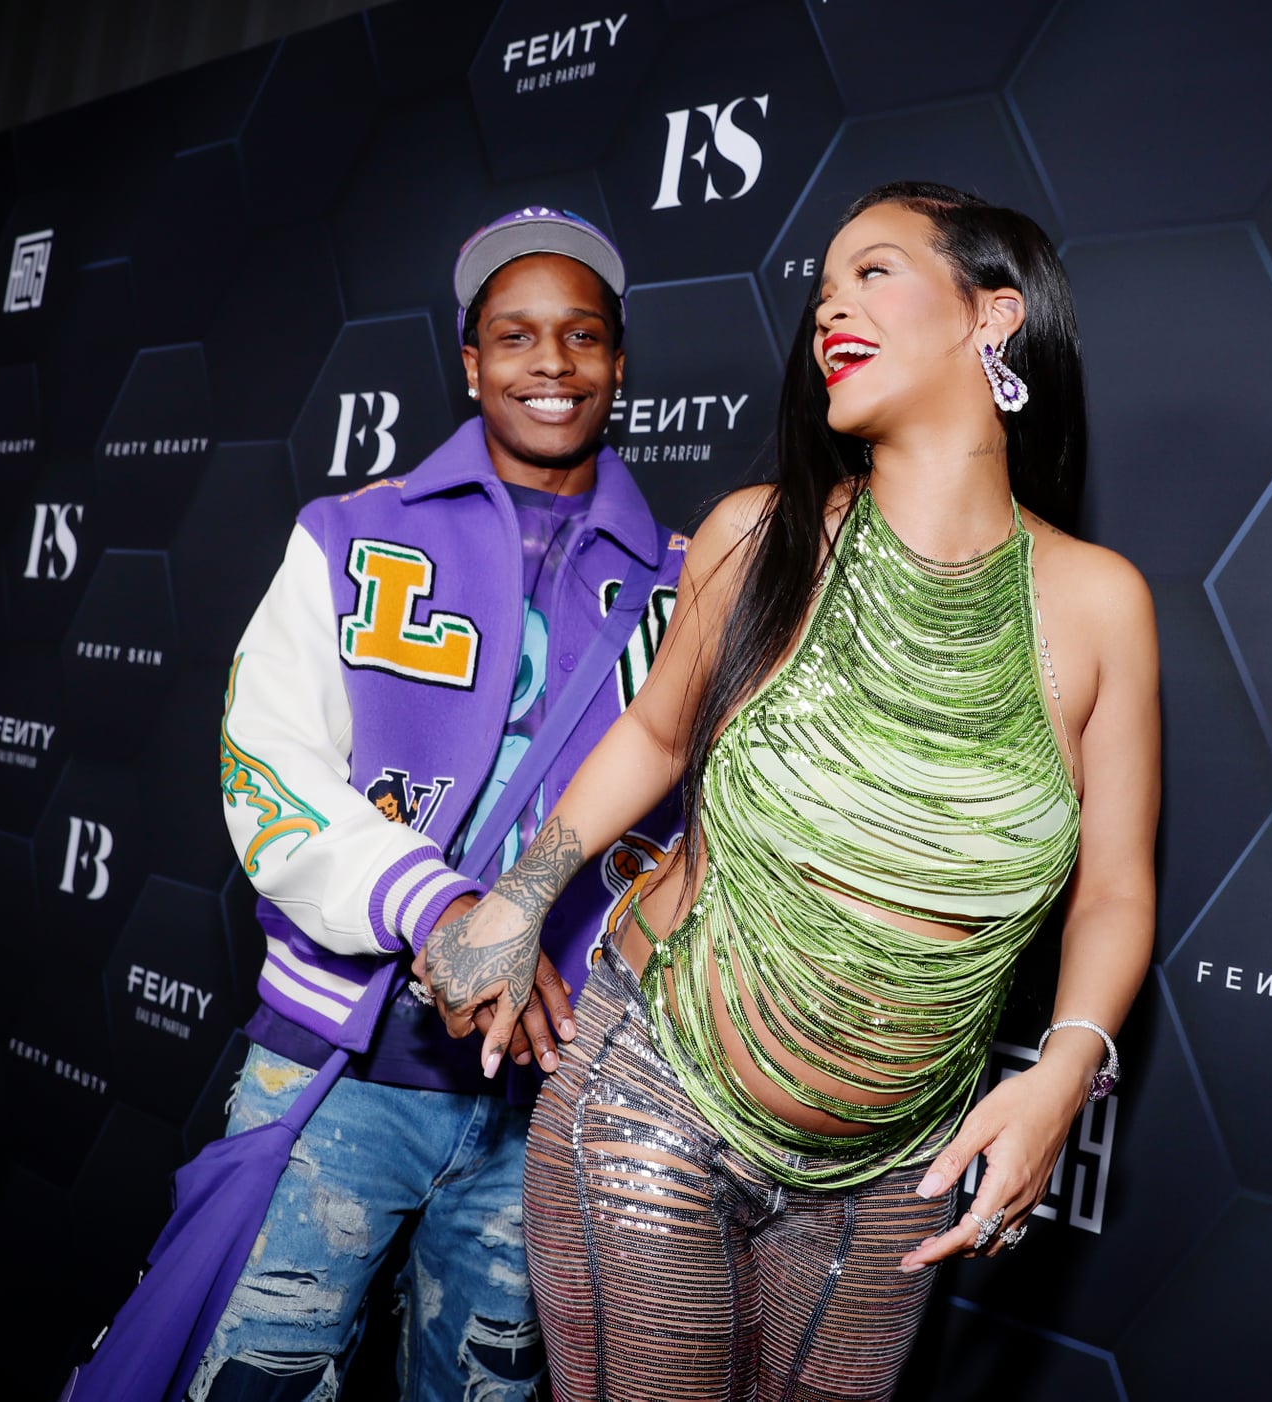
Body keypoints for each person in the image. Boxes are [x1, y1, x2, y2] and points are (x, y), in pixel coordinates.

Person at [421, 181, 1159, 1400]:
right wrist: (516, 900)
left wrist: (1065, 1073)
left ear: (994, 316)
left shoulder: (1096, 603)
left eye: (871, 272)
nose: (829, 307)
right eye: (818, 289)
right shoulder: (758, 534)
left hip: (896, 1165)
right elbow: (656, 736)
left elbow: (1115, 891)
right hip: (652, 1093)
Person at [200, 206, 685, 1400]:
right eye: (515, 336)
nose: (551, 364)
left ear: (620, 361)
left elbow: (705, 828)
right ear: (469, 363)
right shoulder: (351, 533)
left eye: (582, 336)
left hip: (555, 1104)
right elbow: (266, 766)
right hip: (342, 1069)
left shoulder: (692, 578)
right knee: (258, 1380)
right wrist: (438, 908)